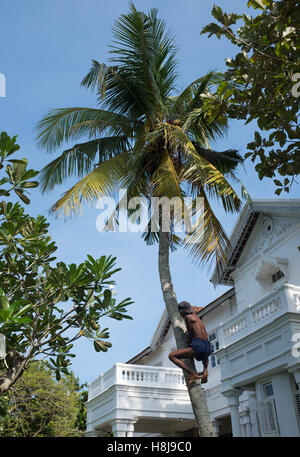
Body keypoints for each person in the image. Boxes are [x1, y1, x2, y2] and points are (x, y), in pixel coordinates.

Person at [168, 301, 214, 386]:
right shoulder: (196, 317)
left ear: (182, 312)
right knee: (204, 354)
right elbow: (194, 308)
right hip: (207, 345)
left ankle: (193, 374)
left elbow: (190, 333)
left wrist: (188, 344)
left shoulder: (188, 318)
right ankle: (205, 370)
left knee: (172, 356)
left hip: (199, 346)